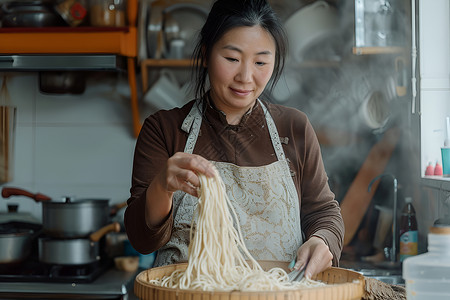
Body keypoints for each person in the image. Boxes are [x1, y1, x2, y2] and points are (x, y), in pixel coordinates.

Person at [125, 0, 344, 279]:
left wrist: (323, 240)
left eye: (261, 62)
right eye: (232, 59)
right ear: (206, 54)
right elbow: (141, 240)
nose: (245, 77)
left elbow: (323, 212)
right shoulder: (165, 129)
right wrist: (161, 188)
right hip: (188, 296)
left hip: (276, 297)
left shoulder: (294, 127)